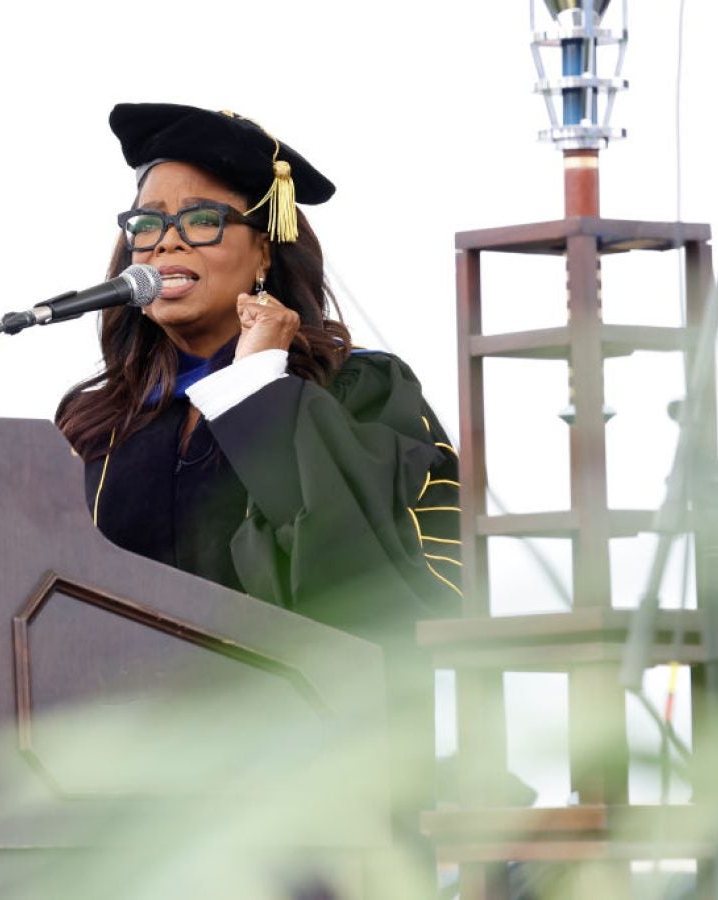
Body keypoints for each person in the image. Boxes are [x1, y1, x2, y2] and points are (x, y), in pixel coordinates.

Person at [55, 102, 461, 892]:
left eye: (202, 220)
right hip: (134, 824)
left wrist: (255, 392)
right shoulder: (98, 430)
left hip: (314, 813)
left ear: (264, 252)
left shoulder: (360, 394)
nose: (166, 241)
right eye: (147, 224)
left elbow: (383, 589)